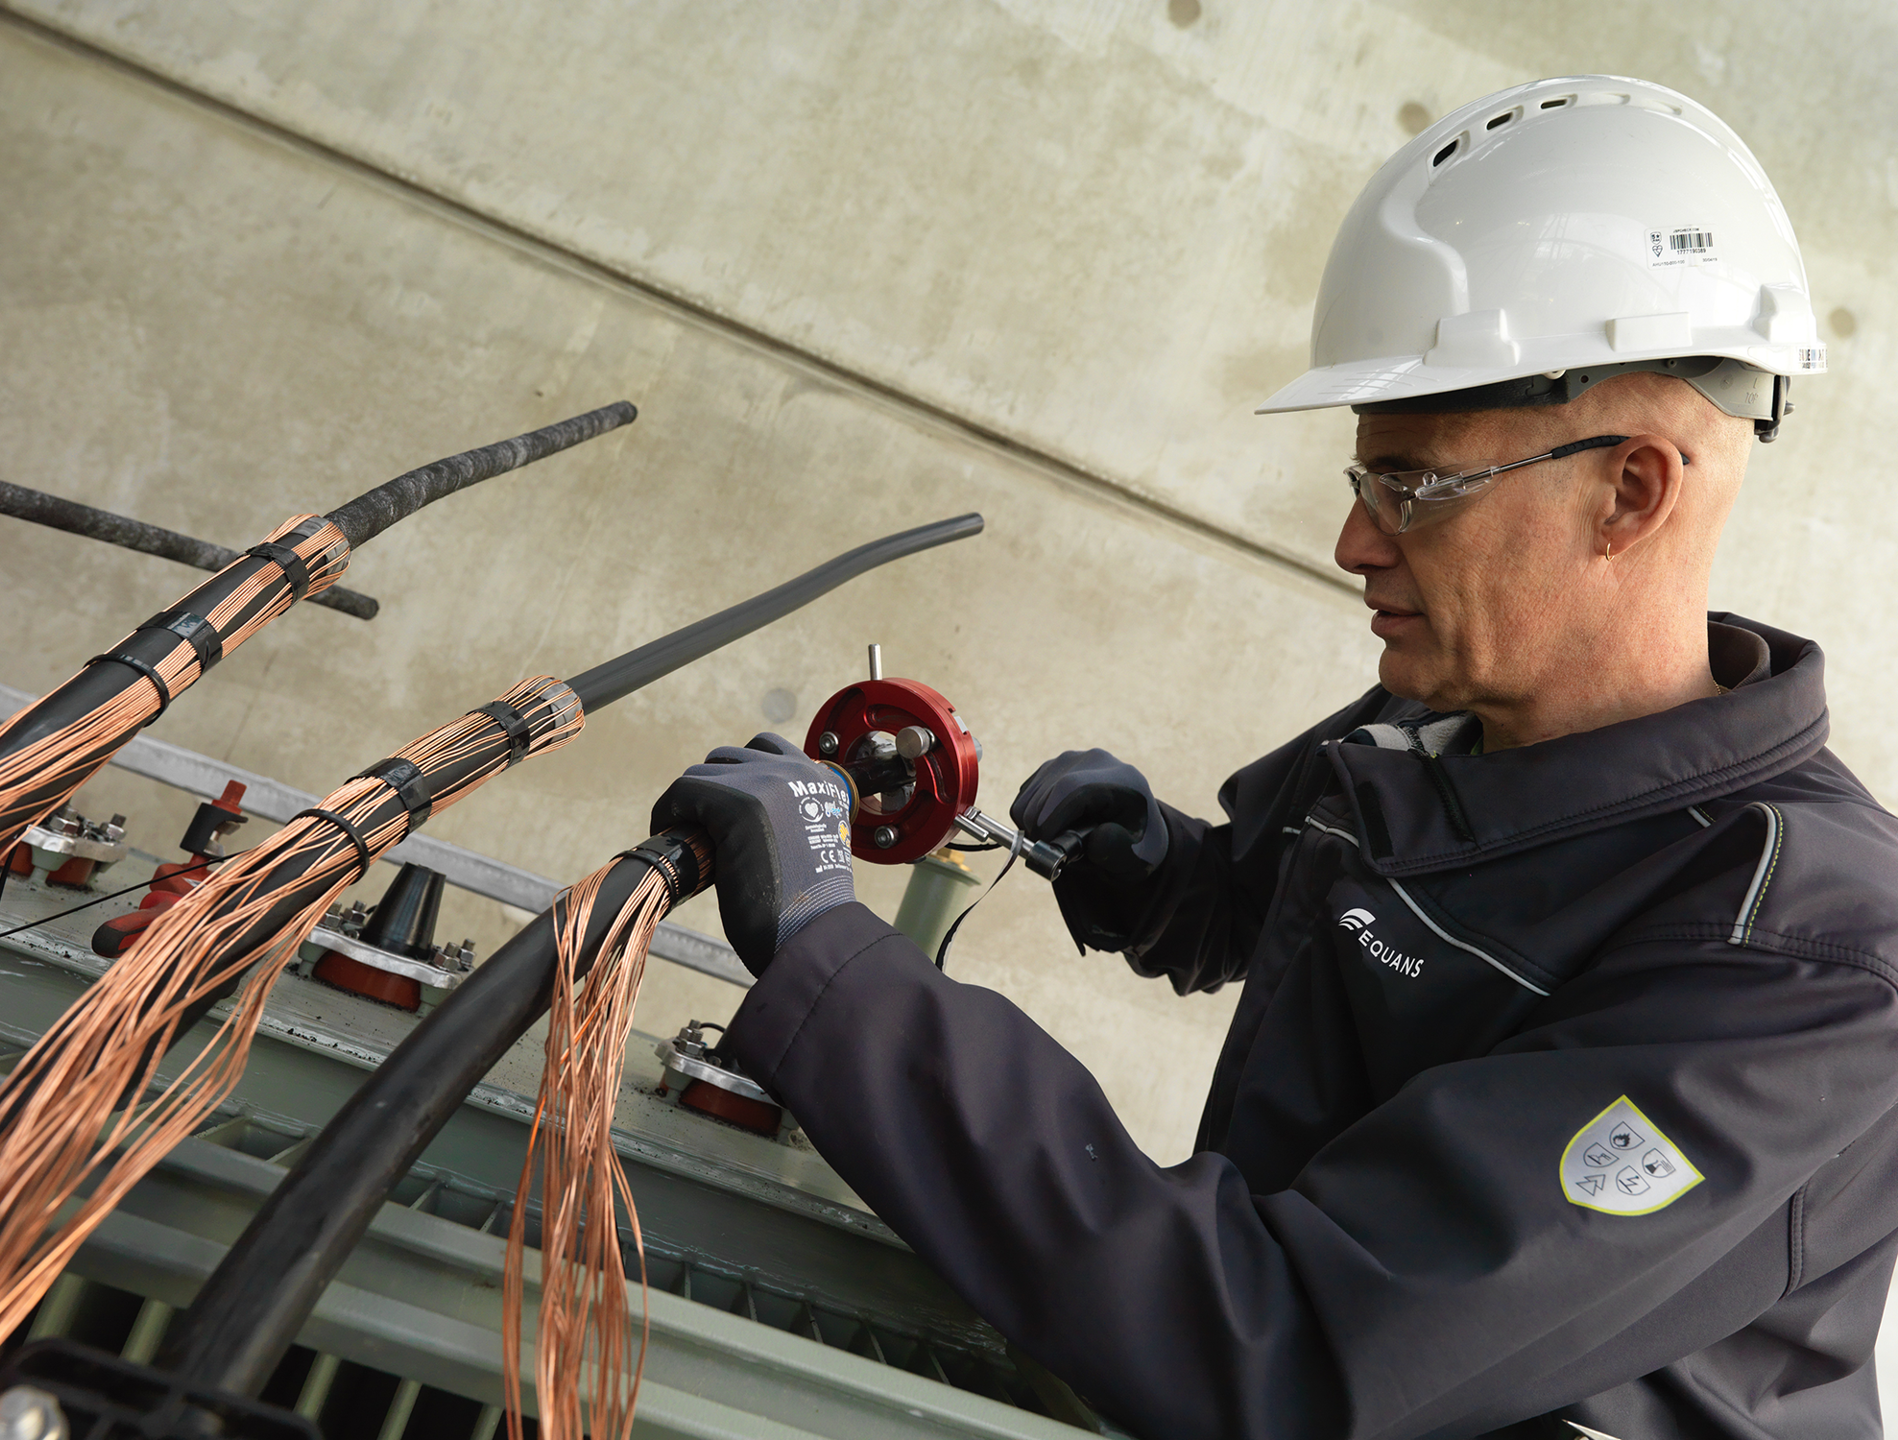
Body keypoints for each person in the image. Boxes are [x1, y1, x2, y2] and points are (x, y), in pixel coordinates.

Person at [652, 76, 1897, 1438]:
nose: (1358, 543)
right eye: (1362, 482)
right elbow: (1303, 911)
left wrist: (838, 970)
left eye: (1413, 483)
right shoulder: (1439, 725)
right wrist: (1164, 881)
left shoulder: (1811, 964)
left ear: (1630, 490)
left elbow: (1294, 1348)